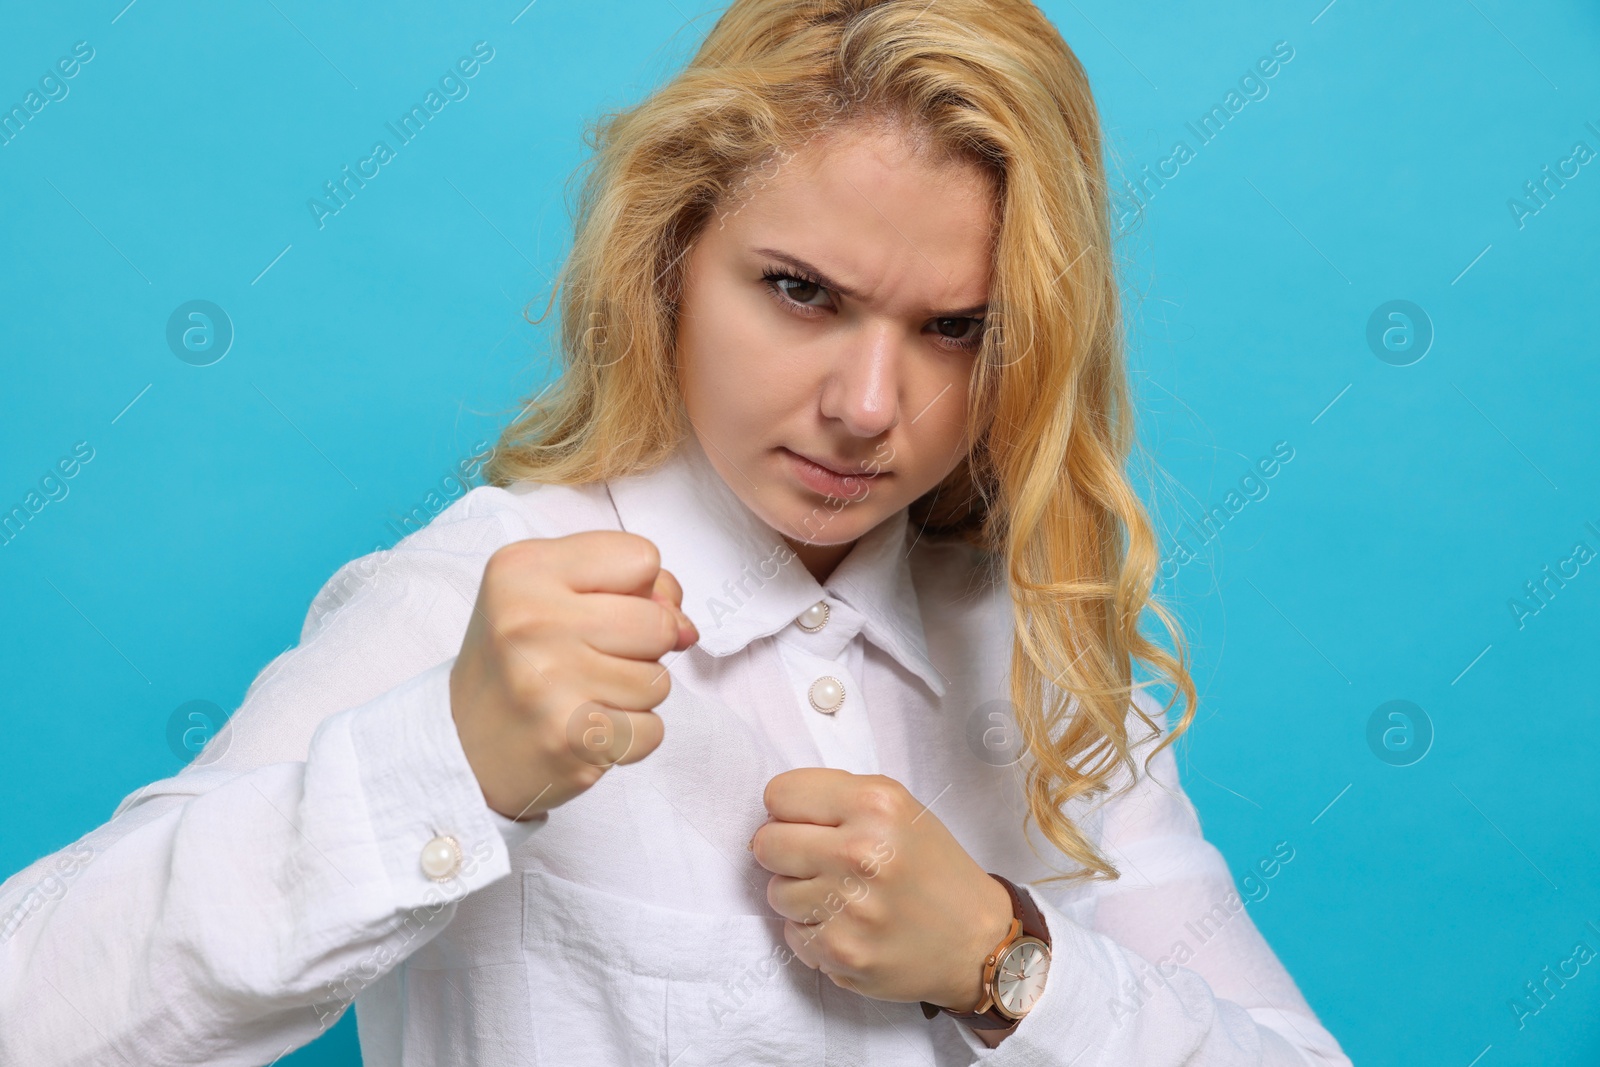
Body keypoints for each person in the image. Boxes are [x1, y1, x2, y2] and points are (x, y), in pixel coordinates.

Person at [0, 1, 1352, 1063]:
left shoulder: (1043, 659)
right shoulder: (476, 603)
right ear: (670, 261)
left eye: (954, 329)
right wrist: (445, 761)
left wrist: (1007, 961)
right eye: (800, 293)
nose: (868, 408)